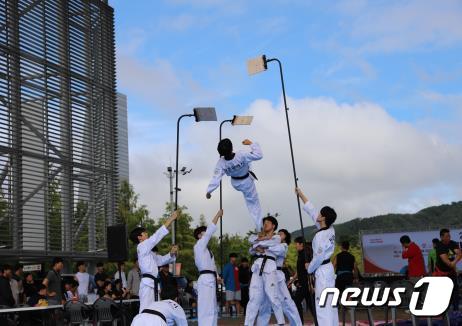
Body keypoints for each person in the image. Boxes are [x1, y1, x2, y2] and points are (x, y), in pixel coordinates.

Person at [296, 187, 338, 326]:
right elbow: (311, 210)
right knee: (330, 303)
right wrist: (301, 194)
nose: (318, 213)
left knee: (322, 304)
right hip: (328, 270)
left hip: (322, 270)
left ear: (323, 217)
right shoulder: (330, 229)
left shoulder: (321, 236)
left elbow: (318, 257)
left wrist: (309, 268)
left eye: (321, 212)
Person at [206, 138, 264, 231]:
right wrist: (251, 144)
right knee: (253, 204)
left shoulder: (221, 163)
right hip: (246, 183)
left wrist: (209, 191)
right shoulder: (241, 154)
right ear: (232, 148)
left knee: (247, 160)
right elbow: (259, 155)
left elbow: (216, 178)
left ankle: (259, 226)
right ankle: (260, 227)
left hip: (235, 182)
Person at [129, 210, 178, 312]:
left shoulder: (149, 252)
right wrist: (171, 219)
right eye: (144, 233)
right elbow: (156, 237)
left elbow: (160, 261)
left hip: (154, 283)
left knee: (156, 311)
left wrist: (171, 254)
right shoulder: (141, 246)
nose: (147, 233)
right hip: (147, 284)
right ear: (139, 237)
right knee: (145, 311)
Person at [244, 216, 285, 326]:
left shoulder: (276, 237)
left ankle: (281, 322)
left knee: (273, 296)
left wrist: (258, 244)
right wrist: (258, 243)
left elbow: (270, 244)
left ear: (273, 226)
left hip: (270, 267)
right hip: (258, 267)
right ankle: (248, 324)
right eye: (264, 223)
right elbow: (250, 244)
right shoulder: (258, 235)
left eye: (268, 222)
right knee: (253, 297)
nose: (265, 224)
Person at [256, 228, 302, 326]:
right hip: (267, 273)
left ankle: (296, 324)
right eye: (278, 233)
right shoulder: (271, 244)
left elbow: (273, 250)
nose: (278, 235)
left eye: (281, 234)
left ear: (285, 237)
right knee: (265, 302)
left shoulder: (283, 246)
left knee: (287, 302)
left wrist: (264, 247)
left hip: (277, 274)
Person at [193, 209, 223, 326]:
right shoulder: (199, 246)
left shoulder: (208, 251)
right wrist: (217, 216)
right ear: (199, 236)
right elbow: (210, 230)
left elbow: (213, 266)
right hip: (205, 279)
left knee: (212, 307)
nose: (206, 235)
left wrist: (218, 277)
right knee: (206, 308)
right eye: (204, 233)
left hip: (211, 278)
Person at [434, 228, 462, 311]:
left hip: (451, 271)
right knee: (444, 292)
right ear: (441, 237)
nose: (448, 238)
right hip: (441, 273)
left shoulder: (453, 243)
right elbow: (446, 261)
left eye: (449, 236)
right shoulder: (439, 246)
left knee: (455, 290)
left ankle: (456, 310)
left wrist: (454, 263)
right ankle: (443, 310)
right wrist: (452, 263)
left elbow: (459, 254)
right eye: (446, 236)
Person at [292, 237, 316, 324]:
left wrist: (310, 284)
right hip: (303, 282)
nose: (295, 246)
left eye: (296, 244)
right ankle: (318, 322)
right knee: (311, 304)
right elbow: (299, 271)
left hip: (306, 283)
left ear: (301, 244)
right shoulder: (300, 254)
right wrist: (292, 281)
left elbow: (309, 270)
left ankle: (300, 322)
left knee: (297, 301)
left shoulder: (306, 255)